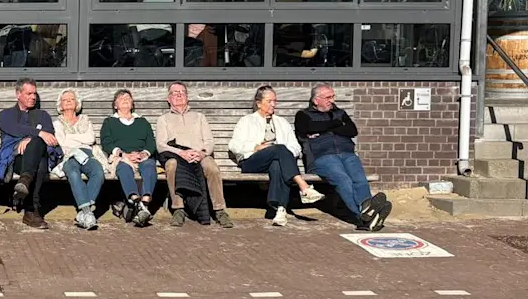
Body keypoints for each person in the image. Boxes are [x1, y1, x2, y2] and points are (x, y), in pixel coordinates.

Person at [294, 83, 391, 231]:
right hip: (322, 157)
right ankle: (363, 217)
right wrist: (336, 125)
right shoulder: (303, 115)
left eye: (333, 96)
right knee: (343, 179)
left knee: (359, 180)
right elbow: (309, 128)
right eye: (328, 97)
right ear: (316, 100)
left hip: (347, 154)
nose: (332, 100)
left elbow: (352, 130)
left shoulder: (340, 113)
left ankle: (367, 215)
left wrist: (324, 128)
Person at [228, 86, 326, 226]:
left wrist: (284, 155)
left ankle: (279, 210)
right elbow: (233, 145)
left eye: (275, 101)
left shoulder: (281, 122)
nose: (273, 104)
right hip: (252, 161)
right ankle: (303, 187)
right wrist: (255, 147)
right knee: (279, 149)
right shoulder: (247, 121)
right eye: (269, 101)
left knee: (277, 163)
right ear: (258, 103)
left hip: (277, 162)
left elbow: (296, 147)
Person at [155, 82, 234, 229]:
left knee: (212, 168)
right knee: (171, 165)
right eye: (174, 93)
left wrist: (202, 153)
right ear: (168, 99)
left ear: (187, 97)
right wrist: (181, 153)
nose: (178, 95)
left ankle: (219, 210)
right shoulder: (163, 119)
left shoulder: (199, 117)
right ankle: (178, 208)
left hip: (199, 155)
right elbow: (161, 145)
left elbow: (209, 141)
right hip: (177, 155)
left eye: (182, 92)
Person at [0, 78, 60, 230]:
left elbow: (49, 137)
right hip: (15, 159)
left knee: (39, 151)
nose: (33, 97)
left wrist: (31, 138)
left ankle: (25, 182)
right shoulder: (6, 114)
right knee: (39, 157)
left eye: (34, 94)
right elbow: (13, 128)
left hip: (37, 159)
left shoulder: (43, 115)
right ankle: (32, 210)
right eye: (28, 93)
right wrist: (38, 133)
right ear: (18, 94)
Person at [101, 89, 157, 227]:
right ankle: (136, 201)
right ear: (115, 105)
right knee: (123, 168)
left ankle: (143, 202)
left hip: (141, 155)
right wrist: (123, 154)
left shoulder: (142, 122)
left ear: (132, 104)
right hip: (121, 156)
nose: (125, 99)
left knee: (150, 165)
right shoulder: (109, 122)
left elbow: (151, 142)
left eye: (128, 98)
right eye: (121, 98)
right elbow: (106, 142)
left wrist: (143, 154)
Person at [52, 89, 106, 231]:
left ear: (77, 103)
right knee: (73, 173)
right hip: (69, 156)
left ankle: (83, 213)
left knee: (98, 171)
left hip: (88, 154)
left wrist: (70, 137)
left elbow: (90, 139)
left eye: (72, 99)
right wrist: (79, 139)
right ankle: (87, 212)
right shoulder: (57, 123)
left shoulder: (85, 119)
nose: (69, 101)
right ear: (60, 105)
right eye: (65, 100)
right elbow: (62, 143)